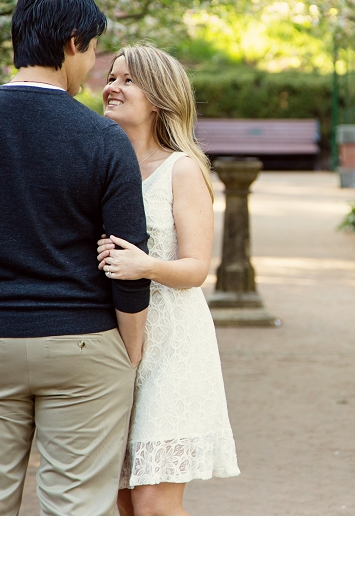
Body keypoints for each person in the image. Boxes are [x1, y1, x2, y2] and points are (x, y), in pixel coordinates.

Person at [0, 0, 151, 516]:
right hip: (84, 346)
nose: (94, 65)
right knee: (75, 516)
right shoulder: (101, 137)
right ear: (73, 42)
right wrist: (130, 350)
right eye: (93, 50)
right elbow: (124, 257)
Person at [96, 44, 239, 516]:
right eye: (111, 77)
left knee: (154, 504)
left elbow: (197, 268)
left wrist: (146, 266)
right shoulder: (99, 166)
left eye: (127, 80)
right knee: (124, 504)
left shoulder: (182, 169)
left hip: (173, 348)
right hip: (112, 349)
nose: (111, 87)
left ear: (158, 96)